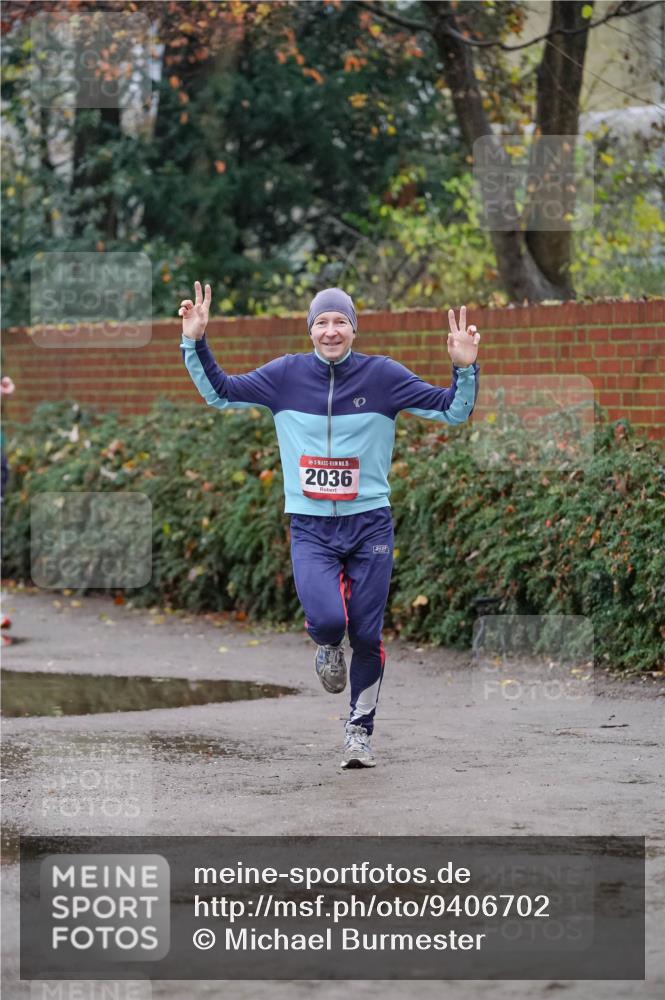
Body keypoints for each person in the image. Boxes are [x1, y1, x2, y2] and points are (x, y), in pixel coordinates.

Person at [179, 284, 480, 769]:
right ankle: (324, 645)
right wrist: (195, 341)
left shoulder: (382, 376)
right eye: (322, 322)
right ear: (311, 330)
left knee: (366, 632)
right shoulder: (285, 376)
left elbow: (454, 410)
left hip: (369, 526)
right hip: (312, 526)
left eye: (340, 321)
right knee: (329, 621)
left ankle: (359, 732)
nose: (331, 330)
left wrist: (463, 366)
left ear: (354, 329)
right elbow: (221, 393)